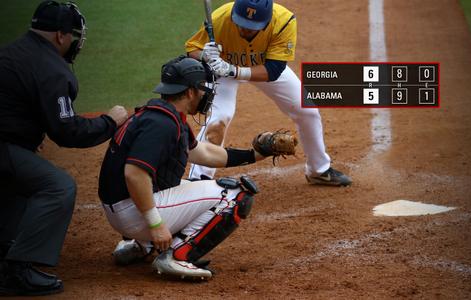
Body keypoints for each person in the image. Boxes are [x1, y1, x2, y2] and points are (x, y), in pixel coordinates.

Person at [99, 56, 272, 281]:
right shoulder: (162, 125)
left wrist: (256, 155)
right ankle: (176, 255)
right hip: (133, 211)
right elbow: (134, 173)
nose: (206, 94)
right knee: (235, 196)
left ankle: (140, 246)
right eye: (203, 88)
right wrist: (156, 224)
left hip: (124, 207)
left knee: (192, 185)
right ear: (190, 92)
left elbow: (205, 153)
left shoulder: (161, 116)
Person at [0, 1, 128, 296]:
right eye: (73, 35)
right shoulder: (52, 69)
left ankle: (6, 246)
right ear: (60, 35)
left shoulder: (13, 52)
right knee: (58, 187)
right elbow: (67, 132)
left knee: (19, 180)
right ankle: (18, 270)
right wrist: (110, 122)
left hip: (7, 143)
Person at [185, 0, 352, 186]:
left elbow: (274, 70)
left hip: (261, 67)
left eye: (252, 28)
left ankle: (318, 170)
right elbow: (192, 49)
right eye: (241, 24)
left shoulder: (284, 21)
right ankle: (199, 181)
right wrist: (204, 55)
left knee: (308, 111)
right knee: (219, 118)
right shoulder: (220, 18)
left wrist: (235, 70)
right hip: (222, 71)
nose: (245, 30)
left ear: (266, 22)